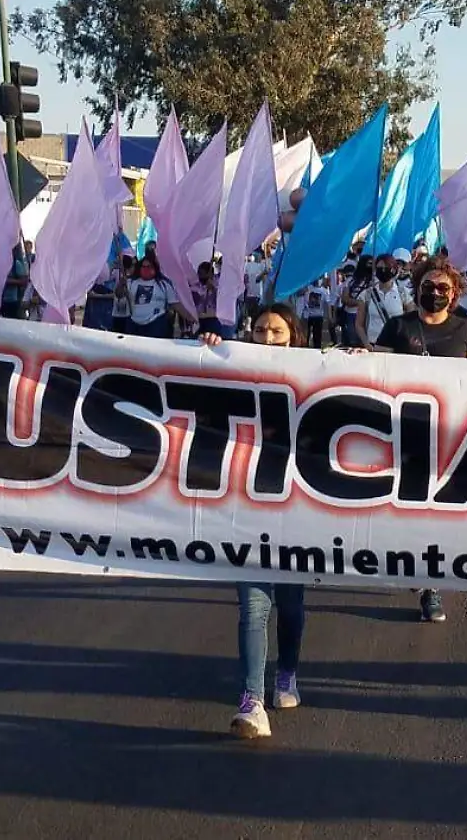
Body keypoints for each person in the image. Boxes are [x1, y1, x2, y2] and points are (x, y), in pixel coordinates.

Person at [202, 303, 311, 738]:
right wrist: (206, 351)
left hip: (299, 506)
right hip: (246, 504)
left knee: (290, 604)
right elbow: (199, 395)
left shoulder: (315, 376)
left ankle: (287, 671)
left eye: (277, 331)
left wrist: (353, 361)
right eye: (262, 330)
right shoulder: (236, 374)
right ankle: (252, 701)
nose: (268, 338)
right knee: (253, 606)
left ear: (294, 337)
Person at [373, 259, 467, 623]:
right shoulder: (397, 327)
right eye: (428, 286)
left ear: (454, 295)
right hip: (401, 433)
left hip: (448, 436)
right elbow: (376, 375)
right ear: (417, 287)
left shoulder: (465, 331)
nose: (434, 293)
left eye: (442, 288)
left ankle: (430, 586)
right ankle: (413, 567)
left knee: (438, 511)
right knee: (405, 508)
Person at [124, 258, 193, 339]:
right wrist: (121, 285)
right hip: (134, 323)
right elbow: (119, 295)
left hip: (155, 323)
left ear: (155, 268)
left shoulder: (163, 284)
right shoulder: (131, 282)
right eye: (143, 266)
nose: (146, 269)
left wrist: (190, 318)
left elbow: (175, 304)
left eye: (149, 266)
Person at [355, 256, 412, 347]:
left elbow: (412, 319)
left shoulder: (403, 293)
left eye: (386, 268)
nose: (383, 270)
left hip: (395, 346)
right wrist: (366, 344)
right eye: (379, 268)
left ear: (393, 270)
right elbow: (359, 324)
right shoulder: (367, 294)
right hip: (373, 344)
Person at [191, 262, 225, 337]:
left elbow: (223, 301)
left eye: (203, 273)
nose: (200, 275)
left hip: (212, 320)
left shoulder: (218, 285)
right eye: (199, 273)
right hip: (198, 320)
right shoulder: (195, 286)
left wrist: (213, 289)